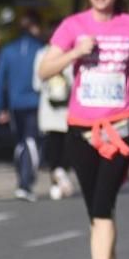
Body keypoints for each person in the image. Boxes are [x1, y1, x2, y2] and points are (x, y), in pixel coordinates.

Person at [37, 0, 129, 259]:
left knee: (102, 205)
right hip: (81, 127)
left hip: (121, 126)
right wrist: (74, 53)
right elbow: (44, 70)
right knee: (95, 210)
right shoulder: (73, 26)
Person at [0, 12, 45, 201]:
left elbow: (0, 81)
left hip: (15, 104)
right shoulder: (40, 49)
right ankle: (26, 182)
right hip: (35, 102)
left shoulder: (8, 50)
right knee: (32, 142)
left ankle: (21, 181)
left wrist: (0, 106)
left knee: (20, 143)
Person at [34, 27, 76, 200]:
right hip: (62, 107)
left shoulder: (41, 54)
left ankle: (56, 179)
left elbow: (36, 83)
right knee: (63, 146)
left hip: (55, 107)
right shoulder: (71, 55)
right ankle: (59, 177)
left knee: (55, 146)